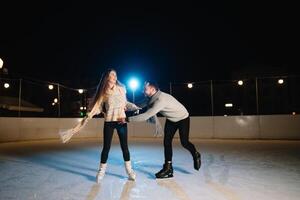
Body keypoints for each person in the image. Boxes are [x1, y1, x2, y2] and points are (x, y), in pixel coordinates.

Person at [60, 69, 140, 182]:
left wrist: (135, 107)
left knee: (124, 147)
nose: (114, 76)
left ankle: (129, 171)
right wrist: (89, 114)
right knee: (106, 148)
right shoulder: (104, 93)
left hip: (121, 121)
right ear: (107, 77)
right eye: (112, 74)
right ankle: (101, 171)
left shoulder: (122, 89)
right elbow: (97, 107)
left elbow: (125, 103)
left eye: (115, 74)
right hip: (109, 122)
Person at [119, 81, 201, 179]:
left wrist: (127, 119)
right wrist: (127, 107)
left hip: (183, 118)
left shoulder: (160, 100)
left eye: (145, 89)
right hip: (171, 119)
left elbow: (146, 115)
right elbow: (139, 104)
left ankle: (196, 154)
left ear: (153, 90)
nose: (143, 91)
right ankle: (168, 168)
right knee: (167, 142)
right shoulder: (150, 98)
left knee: (184, 142)